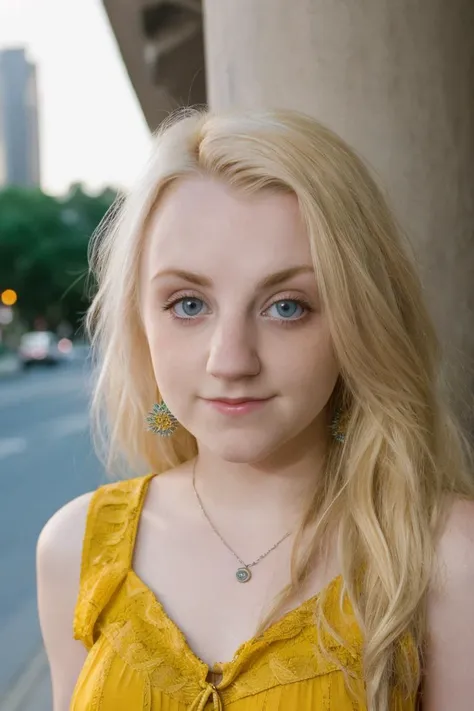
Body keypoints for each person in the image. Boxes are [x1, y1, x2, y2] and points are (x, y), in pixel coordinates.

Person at [37, 108, 474, 711]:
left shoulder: (446, 556)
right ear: (141, 323)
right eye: (188, 304)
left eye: (287, 306)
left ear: (357, 323)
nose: (231, 360)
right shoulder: (75, 548)